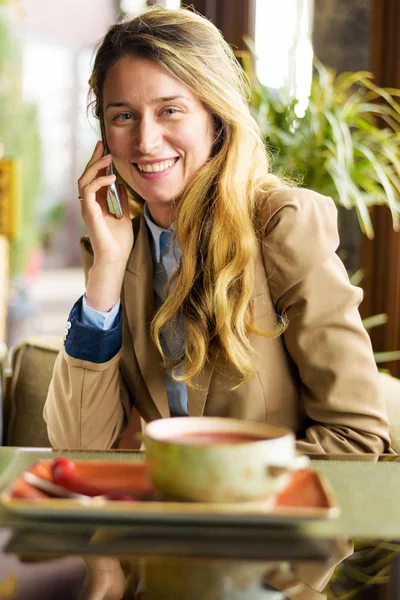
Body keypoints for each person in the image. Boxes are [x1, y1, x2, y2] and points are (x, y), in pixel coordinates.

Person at [43, 5, 391, 456]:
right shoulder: (118, 250)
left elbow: (356, 437)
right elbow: (78, 444)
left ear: (216, 119)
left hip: (269, 517)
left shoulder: (280, 224)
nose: (146, 141)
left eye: (170, 110)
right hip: (163, 514)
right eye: (124, 116)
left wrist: (213, 486)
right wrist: (106, 270)